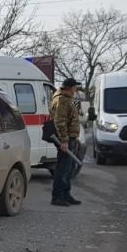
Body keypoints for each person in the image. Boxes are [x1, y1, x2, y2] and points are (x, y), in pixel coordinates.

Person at [49, 77, 83, 207]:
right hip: (66, 139)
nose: (75, 90)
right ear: (69, 88)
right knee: (62, 169)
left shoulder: (66, 98)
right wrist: (64, 140)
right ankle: (57, 196)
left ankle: (66, 195)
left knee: (69, 169)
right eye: (74, 87)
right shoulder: (62, 100)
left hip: (71, 138)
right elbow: (60, 121)